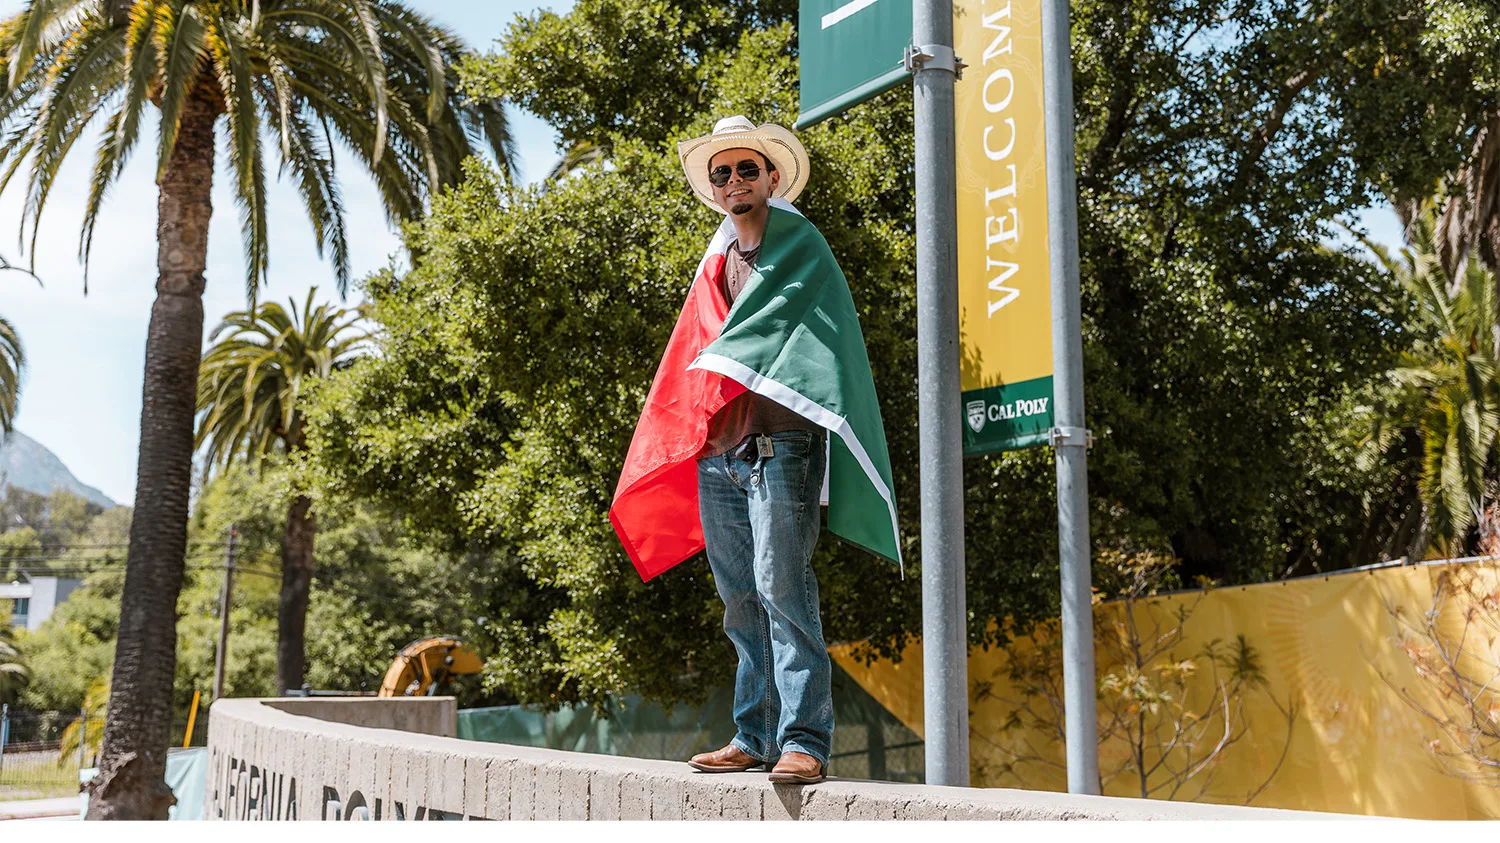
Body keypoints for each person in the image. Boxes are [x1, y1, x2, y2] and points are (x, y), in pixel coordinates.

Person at [609, 115, 901, 787]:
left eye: (747, 169)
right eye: (722, 173)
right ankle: (753, 734)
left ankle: (805, 739)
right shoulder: (715, 263)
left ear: (772, 177)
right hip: (722, 456)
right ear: (714, 189)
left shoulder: (801, 247)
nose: (735, 181)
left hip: (783, 447)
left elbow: (808, 347)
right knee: (739, 598)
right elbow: (698, 353)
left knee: (784, 586)